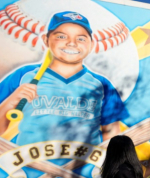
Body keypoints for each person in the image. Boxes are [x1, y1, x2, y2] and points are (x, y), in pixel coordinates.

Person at [0, 10, 128, 148]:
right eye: (61, 36)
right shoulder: (24, 75)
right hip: (25, 167)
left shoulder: (102, 85)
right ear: (46, 40)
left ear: (91, 44)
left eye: (81, 39)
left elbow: (111, 135)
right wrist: (10, 102)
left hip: (83, 167)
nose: (71, 43)